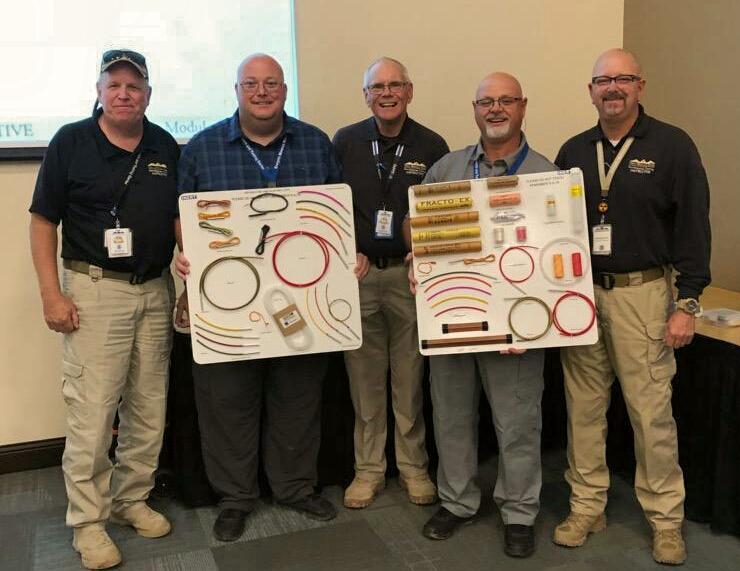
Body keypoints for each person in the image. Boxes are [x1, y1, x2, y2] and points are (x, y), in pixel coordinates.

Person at [174, 53, 362, 542]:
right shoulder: (202, 147)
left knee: (298, 396)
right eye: (251, 84)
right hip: (228, 299)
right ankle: (235, 497)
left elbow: (336, 217)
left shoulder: (316, 144)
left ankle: (295, 487)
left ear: (284, 89)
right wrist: (185, 253)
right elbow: (183, 217)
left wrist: (348, 258)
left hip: (304, 301)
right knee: (227, 400)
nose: (262, 92)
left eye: (271, 84)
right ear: (236, 90)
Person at [552, 48, 711, 566]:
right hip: (581, 294)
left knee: (651, 416)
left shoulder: (672, 146)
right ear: (591, 90)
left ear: (641, 85)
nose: (612, 88)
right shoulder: (574, 150)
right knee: (584, 410)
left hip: (644, 295)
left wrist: (687, 301)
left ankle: (665, 520)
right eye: (603, 80)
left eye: (622, 79)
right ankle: (586, 506)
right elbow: (552, 230)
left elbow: (693, 227)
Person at [29, 49, 179, 570]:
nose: (124, 94)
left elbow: (182, 219)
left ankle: (130, 500)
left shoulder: (163, 144)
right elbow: (43, 222)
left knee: (148, 407)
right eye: (114, 84)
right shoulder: (71, 141)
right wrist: (52, 294)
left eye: (134, 86)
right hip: (94, 291)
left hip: (156, 290)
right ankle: (87, 522)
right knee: (93, 414)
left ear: (148, 95)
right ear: (98, 90)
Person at [406, 72, 555, 558]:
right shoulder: (445, 169)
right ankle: (457, 501)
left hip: (516, 324)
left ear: (523, 106)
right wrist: (418, 258)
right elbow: (415, 227)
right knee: (450, 413)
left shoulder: (546, 174)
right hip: (453, 313)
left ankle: (518, 511)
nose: (496, 109)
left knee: (516, 421)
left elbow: (558, 253)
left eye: (506, 100)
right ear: (474, 109)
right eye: (486, 101)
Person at [331, 57, 449, 509]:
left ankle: (414, 469)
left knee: (409, 382)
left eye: (395, 85)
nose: (386, 93)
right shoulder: (345, 141)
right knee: (364, 385)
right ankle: (368, 471)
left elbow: (439, 212)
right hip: (357, 277)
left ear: (409, 91)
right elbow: (327, 204)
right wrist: (345, 251)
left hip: (409, 279)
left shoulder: (433, 145)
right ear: (365, 95)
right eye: (377, 86)